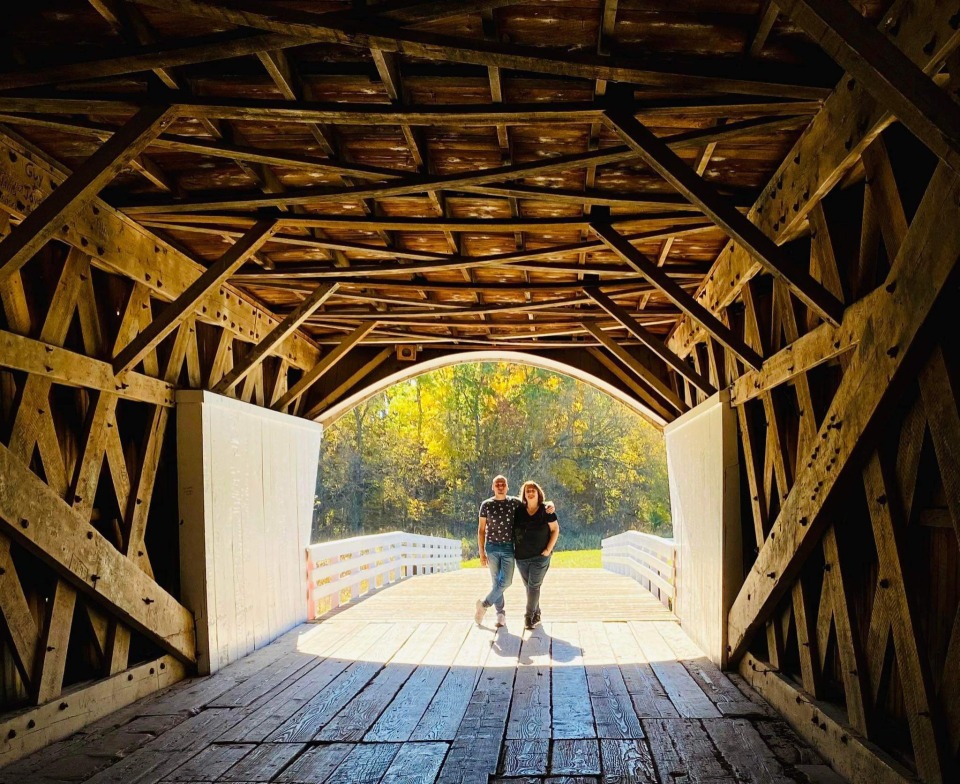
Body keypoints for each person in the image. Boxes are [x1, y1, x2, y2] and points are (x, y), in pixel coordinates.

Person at [475, 475, 553, 627]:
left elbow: (533, 503)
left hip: (508, 547)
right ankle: (500, 615)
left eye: (503, 484)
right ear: (493, 487)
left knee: (506, 581)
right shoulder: (486, 505)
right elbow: (481, 530)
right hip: (491, 547)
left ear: (507, 487)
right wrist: (482, 553)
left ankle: (484, 605)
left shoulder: (514, 503)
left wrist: (550, 504)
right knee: (496, 582)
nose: (500, 486)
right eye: (497, 484)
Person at [513, 480, 559, 630]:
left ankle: (528, 617)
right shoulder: (518, 510)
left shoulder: (546, 510)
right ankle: (537, 613)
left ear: (538, 493)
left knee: (533, 586)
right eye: (528, 491)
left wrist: (548, 549)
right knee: (530, 587)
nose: (530, 493)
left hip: (540, 556)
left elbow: (555, 530)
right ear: (524, 494)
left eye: (533, 490)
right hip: (521, 557)